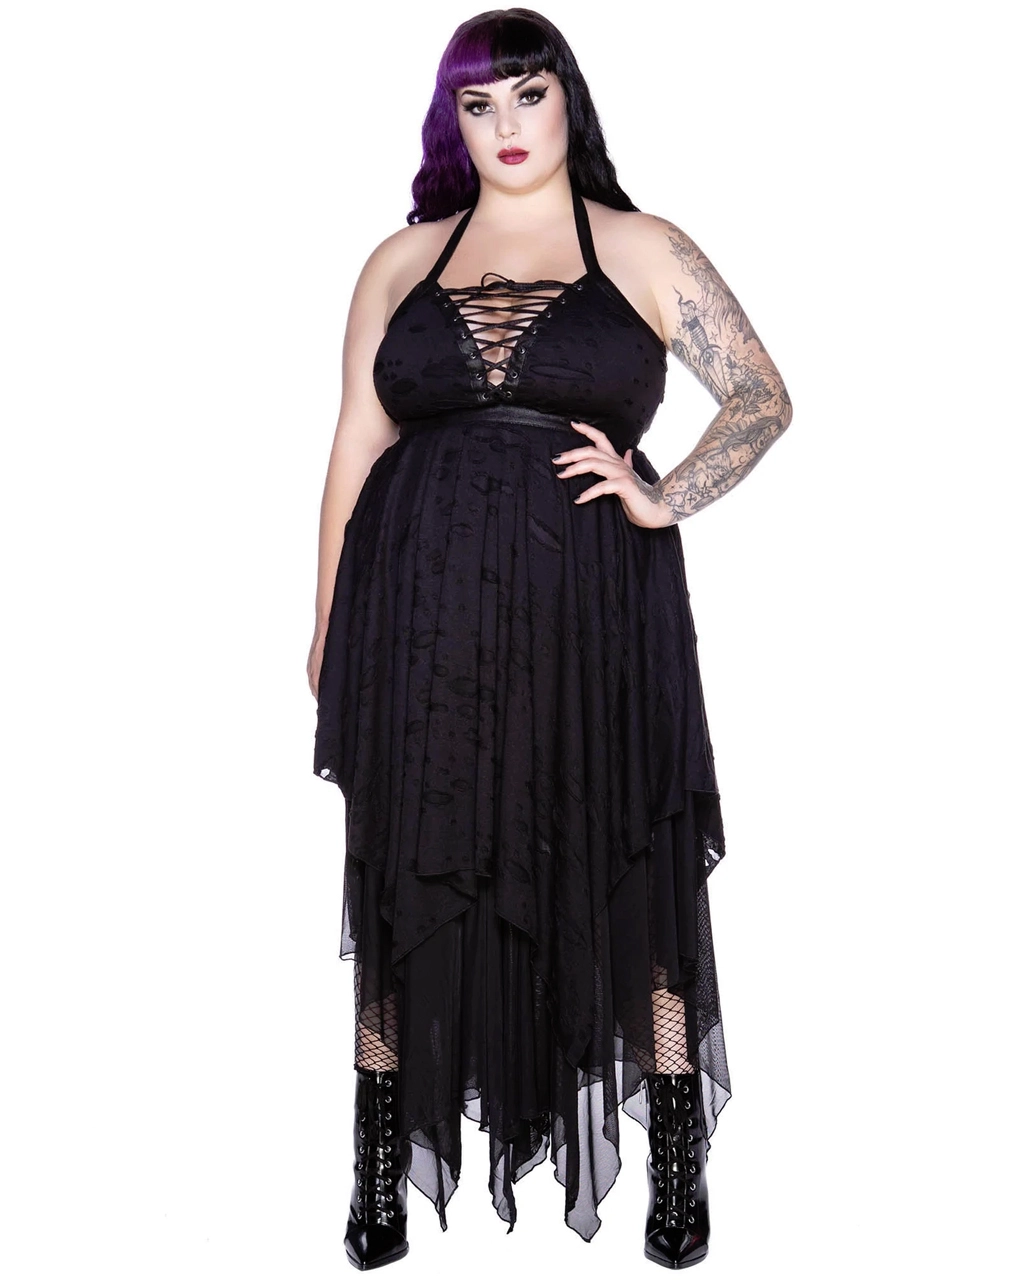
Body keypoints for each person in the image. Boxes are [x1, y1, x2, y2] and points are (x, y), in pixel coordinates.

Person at [310, 8, 792, 1270]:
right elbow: (356, 441)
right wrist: (326, 624)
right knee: (408, 867)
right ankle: (377, 1168)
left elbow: (761, 394)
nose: (507, 126)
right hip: (417, 614)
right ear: (452, 123)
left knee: (629, 852)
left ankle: (674, 1159)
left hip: (594, 613)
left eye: (528, 95)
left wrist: (664, 494)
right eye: (479, 105)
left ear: (567, 98)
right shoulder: (398, 261)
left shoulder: (641, 244)